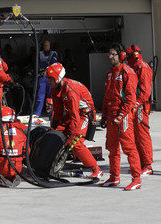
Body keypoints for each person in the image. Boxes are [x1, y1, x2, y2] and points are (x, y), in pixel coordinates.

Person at [45, 63, 102, 179]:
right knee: (56, 132)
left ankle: (96, 169)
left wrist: (71, 136)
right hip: (73, 113)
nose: (48, 82)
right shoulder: (55, 89)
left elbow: (74, 117)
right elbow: (58, 112)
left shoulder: (71, 91)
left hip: (84, 114)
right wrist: (53, 128)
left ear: (57, 78)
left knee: (76, 143)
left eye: (50, 79)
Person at [99, 43, 142, 190]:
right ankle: (114, 177)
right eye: (109, 54)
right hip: (111, 116)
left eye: (113, 54)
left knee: (129, 148)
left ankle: (136, 179)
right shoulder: (110, 73)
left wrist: (121, 115)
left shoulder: (128, 73)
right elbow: (106, 96)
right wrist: (104, 115)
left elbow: (131, 99)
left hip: (123, 117)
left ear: (121, 55)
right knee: (112, 148)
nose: (110, 57)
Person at [126, 45, 154, 176]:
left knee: (142, 136)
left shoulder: (143, 68)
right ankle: (142, 163)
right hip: (135, 106)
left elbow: (145, 92)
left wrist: (136, 104)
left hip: (140, 107)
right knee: (135, 137)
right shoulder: (134, 68)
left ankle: (147, 165)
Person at [0, 106, 25, 187]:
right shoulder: (20, 132)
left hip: (2, 164)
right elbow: (26, 151)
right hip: (17, 166)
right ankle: (13, 177)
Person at [34, 40, 58, 116]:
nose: (46, 47)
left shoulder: (54, 53)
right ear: (43, 46)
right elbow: (38, 65)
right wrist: (45, 68)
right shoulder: (39, 54)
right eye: (45, 45)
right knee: (40, 96)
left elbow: (53, 63)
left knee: (50, 96)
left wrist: (45, 67)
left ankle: (50, 113)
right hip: (42, 77)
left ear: (50, 46)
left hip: (51, 78)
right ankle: (37, 113)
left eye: (47, 45)